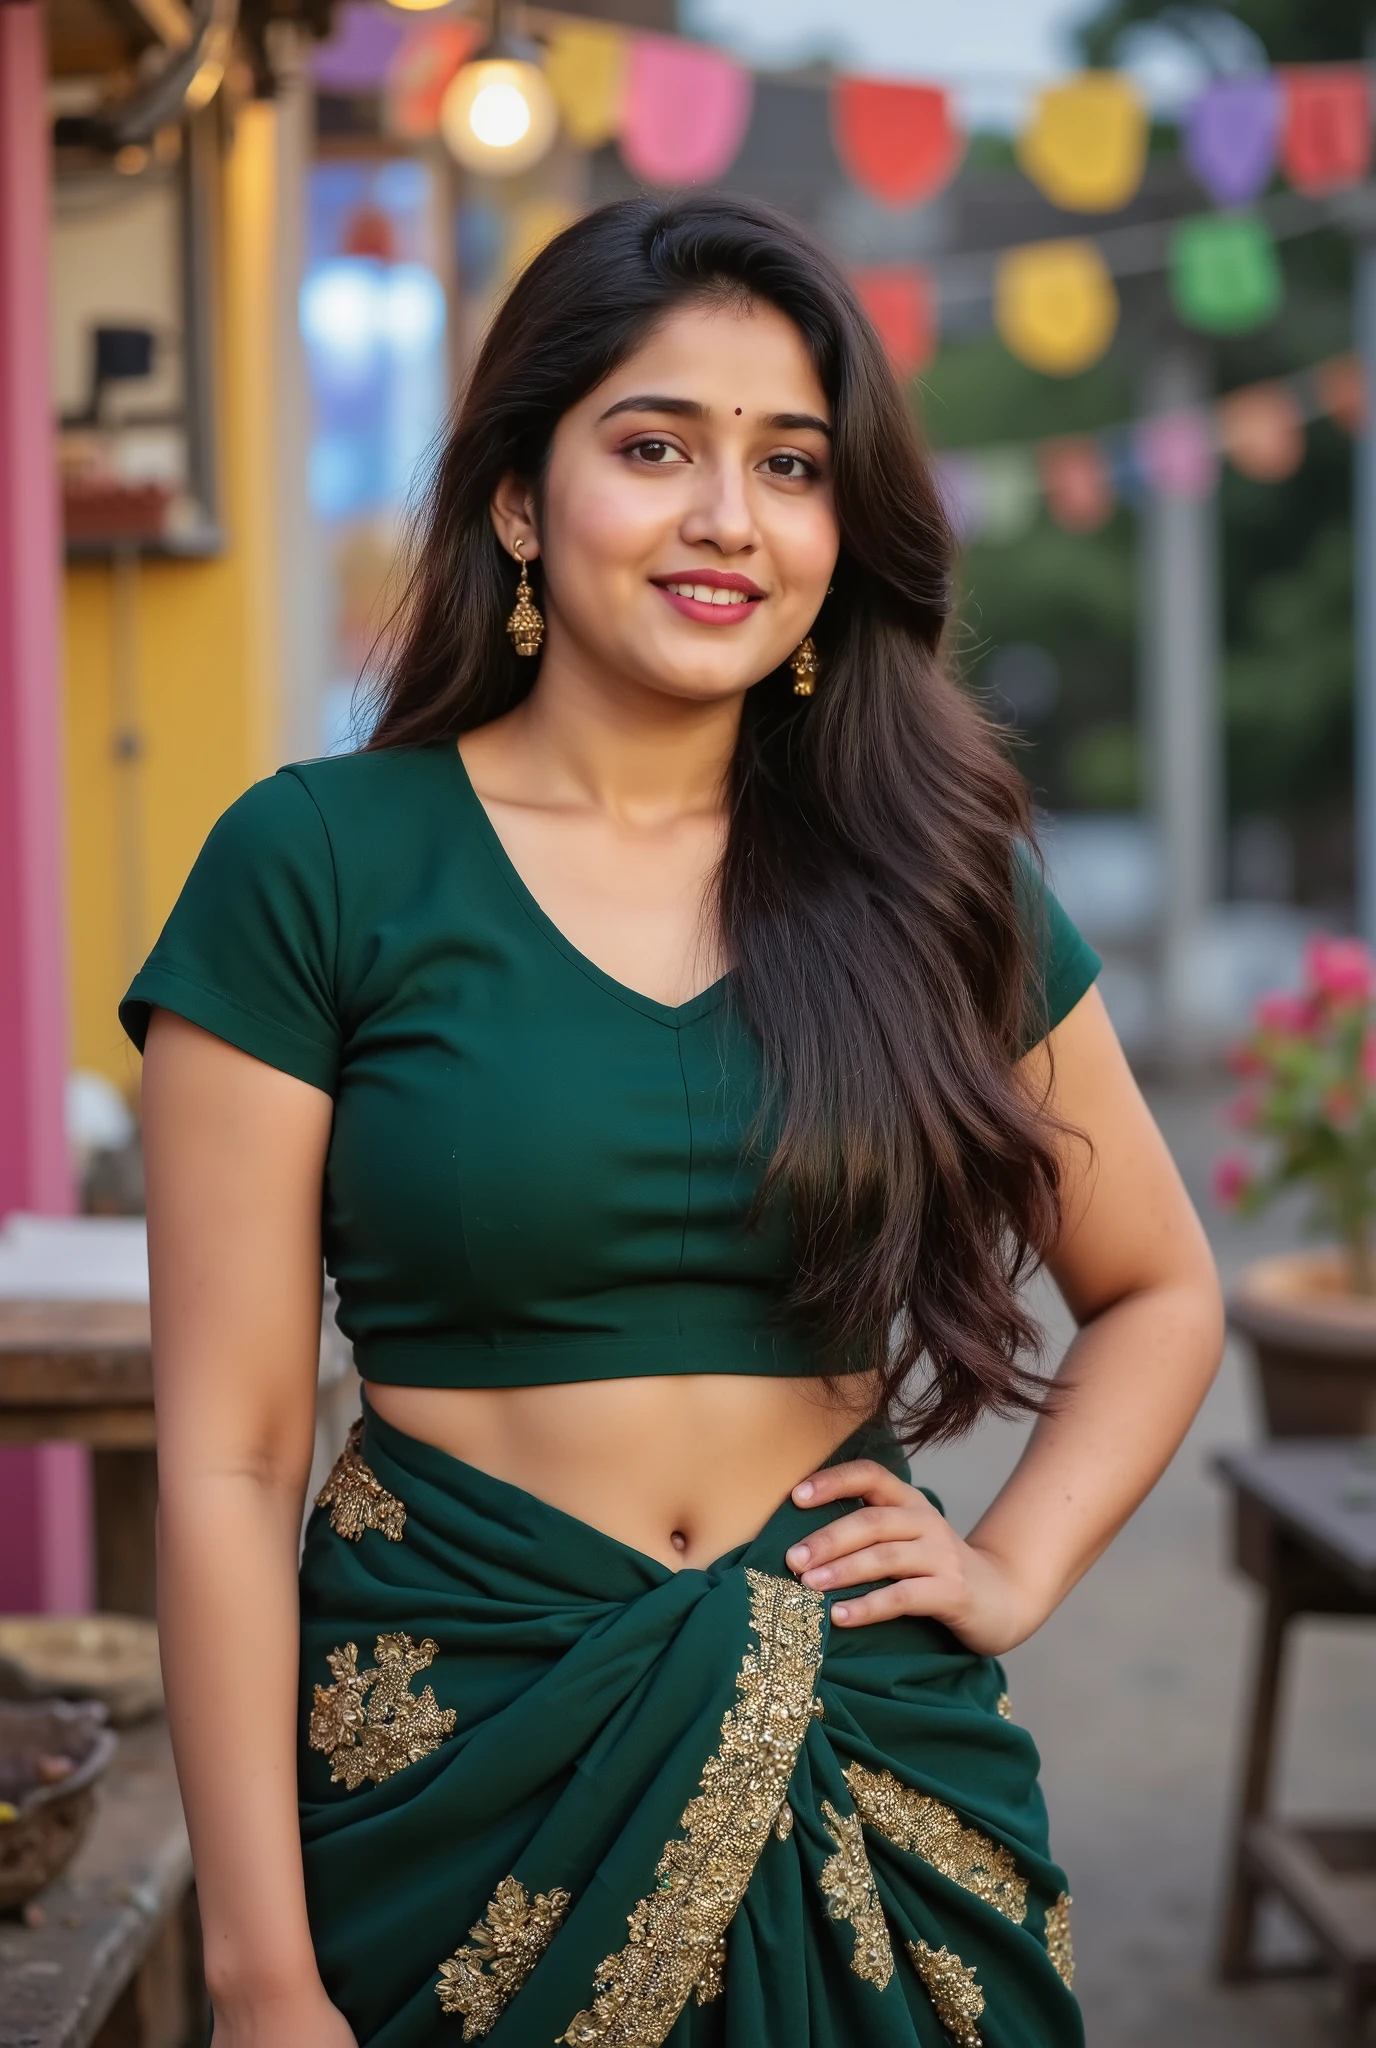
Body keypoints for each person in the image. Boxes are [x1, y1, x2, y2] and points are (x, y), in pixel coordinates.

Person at [121, 195, 1223, 2048]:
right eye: (656, 448)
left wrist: (1012, 1563)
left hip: (862, 1753)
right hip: (461, 1753)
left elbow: (1163, 1289)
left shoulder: (933, 880)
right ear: (518, 502)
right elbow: (224, 1464)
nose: (731, 517)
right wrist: (256, 1977)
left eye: (790, 465)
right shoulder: (319, 865)